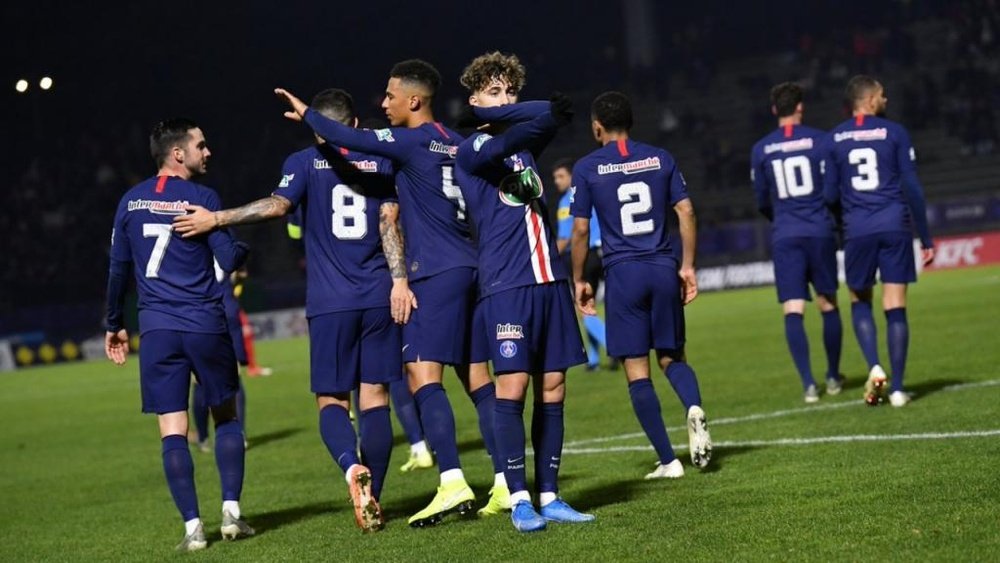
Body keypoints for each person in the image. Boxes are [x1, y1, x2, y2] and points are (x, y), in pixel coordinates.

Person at [272, 60, 507, 526]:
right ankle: (504, 484)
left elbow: (353, 141)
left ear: (413, 100)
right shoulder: (459, 144)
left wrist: (308, 115)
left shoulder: (407, 141)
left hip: (431, 272)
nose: (384, 103)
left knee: (422, 377)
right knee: (478, 380)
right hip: (471, 264)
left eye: (390, 95)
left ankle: (453, 482)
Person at [173, 89, 410, 532]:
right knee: (375, 398)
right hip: (379, 295)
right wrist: (399, 280)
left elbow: (276, 207)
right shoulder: (381, 162)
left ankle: (349, 468)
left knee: (331, 401)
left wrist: (216, 218)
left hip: (330, 302)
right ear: (354, 125)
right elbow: (389, 225)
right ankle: (374, 492)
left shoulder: (302, 163)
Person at [455, 51, 592, 533]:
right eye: (494, 92)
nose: (506, 99)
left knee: (553, 386)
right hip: (506, 284)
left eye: (510, 91)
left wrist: (526, 109)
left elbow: (539, 121)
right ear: (474, 101)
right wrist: (498, 113)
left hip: (548, 281)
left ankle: (550, 494)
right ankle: (517, 497)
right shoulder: (470, 149)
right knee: (511, 386)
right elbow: (524, 123)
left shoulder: (525, 149)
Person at [104, 118, 254, 551]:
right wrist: (238, 239)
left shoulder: (129, 202)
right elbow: (229, 258)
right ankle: (231, 514)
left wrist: (114, 323)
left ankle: (192, 531)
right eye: (201, 146)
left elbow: (118, 269)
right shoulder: (203, 199)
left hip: (157, 330)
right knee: (226, 416)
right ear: (177, 154)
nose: (208, 152)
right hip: (205, 322)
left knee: (173, 430)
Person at [570, 92, 713, 480]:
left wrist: (580, 278)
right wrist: (687, 267)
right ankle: (694, 407)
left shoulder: (586, 168)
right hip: (663, 266)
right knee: (672, 356)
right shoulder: (661, 157)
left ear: (596, 126)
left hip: (623, 273)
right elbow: (686, 210)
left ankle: (669, 461)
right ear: (631, 122)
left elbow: (580, 228)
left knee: (637, 370)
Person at [822, 75, 935, 407]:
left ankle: (874, 365)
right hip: (895, 225)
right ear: (869, 100)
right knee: (896, 306)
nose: (886, 100)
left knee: (859, 300)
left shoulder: (833, 139)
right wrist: (925, 236)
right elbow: (912, 187)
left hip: (857, 228)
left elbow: (829, 194)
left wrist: (846, 219)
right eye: (882, 95)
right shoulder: (895, 132)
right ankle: (898, 389)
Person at [750, 82, 844, 403]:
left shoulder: (761, 148)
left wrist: (780, 220)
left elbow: (762, 199)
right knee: (828, 303)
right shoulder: (822, 141)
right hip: (819, 230)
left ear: (774, 109)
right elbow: (832, 192)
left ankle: (808, 384)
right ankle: (832, 376)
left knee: (793, 308)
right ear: (800, 107)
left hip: (786, 234)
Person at [553, 158, 610, 372]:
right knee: (589, 306)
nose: (557, 181)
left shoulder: (566, 202)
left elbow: (565, 237)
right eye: (555, 178)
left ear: (571, 177)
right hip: (600, 253)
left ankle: (614, 347)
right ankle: (594, 360)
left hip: (581, 257)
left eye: (561, 176)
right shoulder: (592, 193)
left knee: (584, 309)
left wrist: (548, 258)